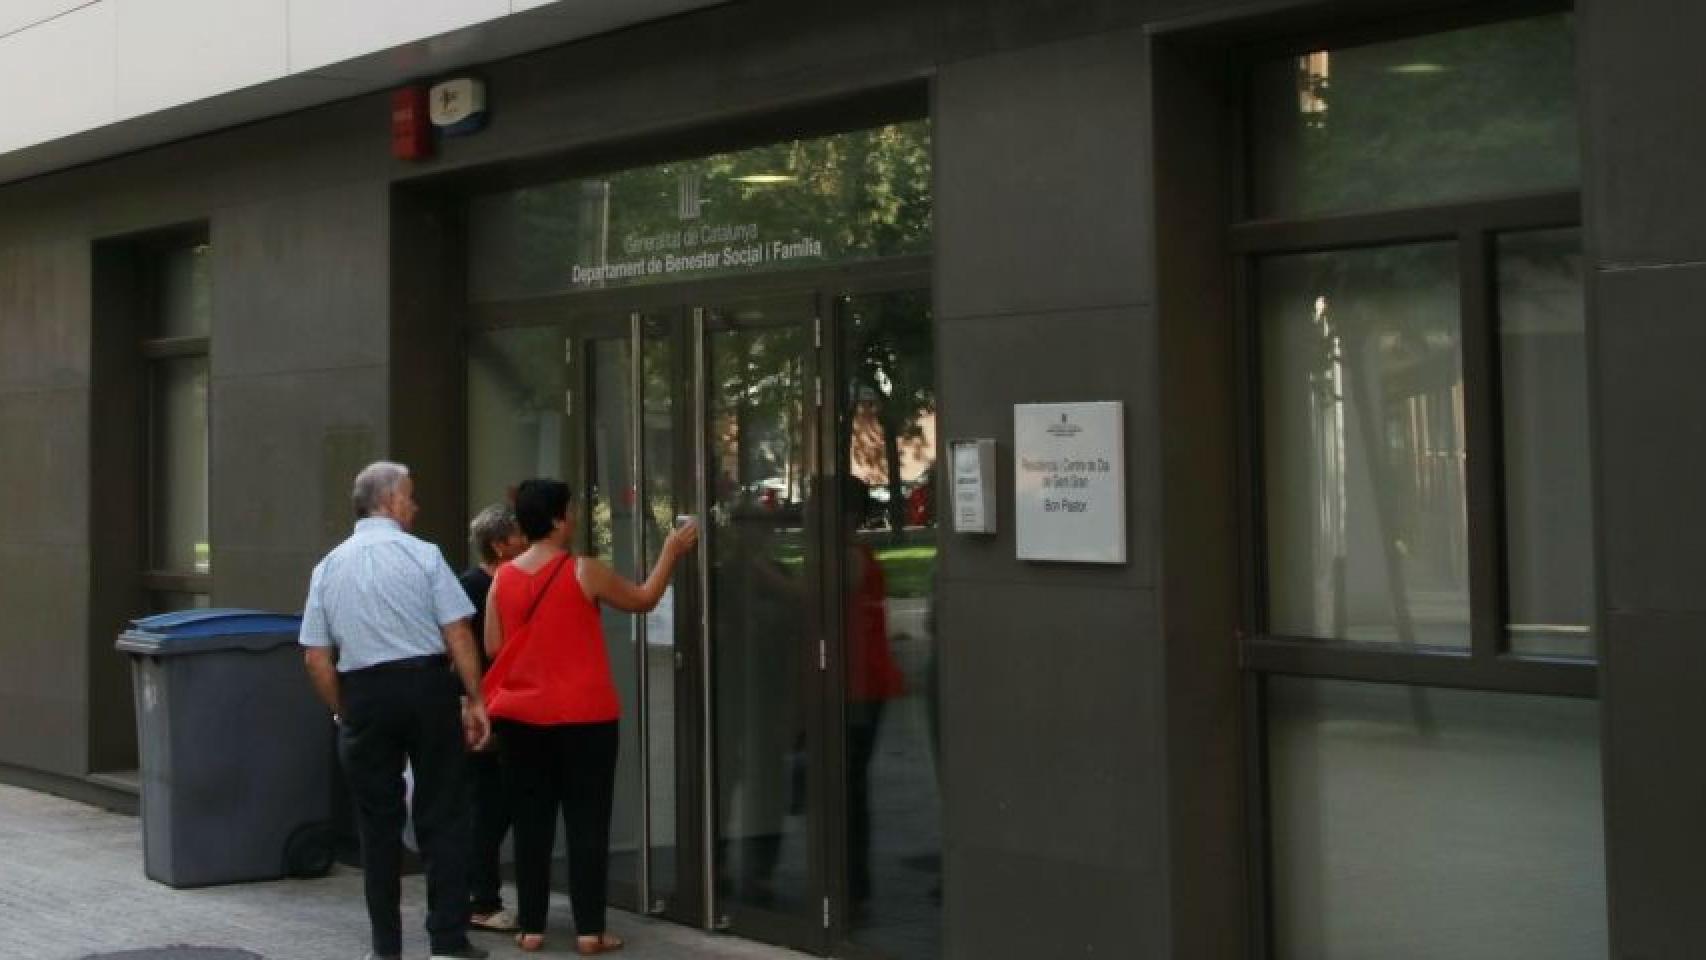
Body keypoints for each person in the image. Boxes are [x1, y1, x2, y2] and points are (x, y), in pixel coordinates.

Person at [482, 478, 697, 955]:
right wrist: (671, 553)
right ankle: (589, 931)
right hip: (586, 716)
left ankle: (532, 928)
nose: (576, 516)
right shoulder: (584, 571)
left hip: (521, 718)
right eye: (573, 509)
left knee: (531, 822)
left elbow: (494, 646)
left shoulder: (503, 577)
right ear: (558, 519)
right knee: (587, 823)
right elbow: (643, 599)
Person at [300, 461, 492, 960]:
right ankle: (447, 941)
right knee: (444, 814)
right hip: (427, 686)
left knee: (377, 826)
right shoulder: (424, 556)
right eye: (410, 496)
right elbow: (457, 633)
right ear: (388, 501)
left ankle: (386, 949)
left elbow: (316, 657)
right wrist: (475, 698)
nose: (415, 505)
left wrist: (345, 711)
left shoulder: (328, 566)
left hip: (364, 691)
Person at [459, 504, 527, 933]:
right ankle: (480, 900)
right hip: (487, 709)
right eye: (520, 535)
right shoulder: (473, 587)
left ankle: (477, 896)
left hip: (503, 706)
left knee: (494, 806)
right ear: (499, 545)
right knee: (489, 808)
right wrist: (469, 704)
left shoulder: (505, 582)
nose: (527, 542)